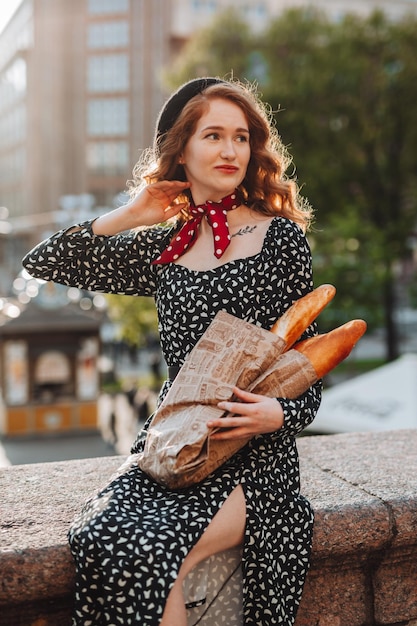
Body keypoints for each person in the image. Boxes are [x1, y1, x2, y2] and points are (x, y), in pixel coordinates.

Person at [22, 77, 322, 626]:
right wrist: (128, 215)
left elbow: (307, 361)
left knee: (148, 550)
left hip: (250, 457)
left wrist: (279, 413)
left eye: (240, 137)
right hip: (170, 445)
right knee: (99, 534)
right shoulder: (165, 244)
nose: (231, 150)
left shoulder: (279, 239)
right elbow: (43, 262)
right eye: (212, 135)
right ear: (181, 148)